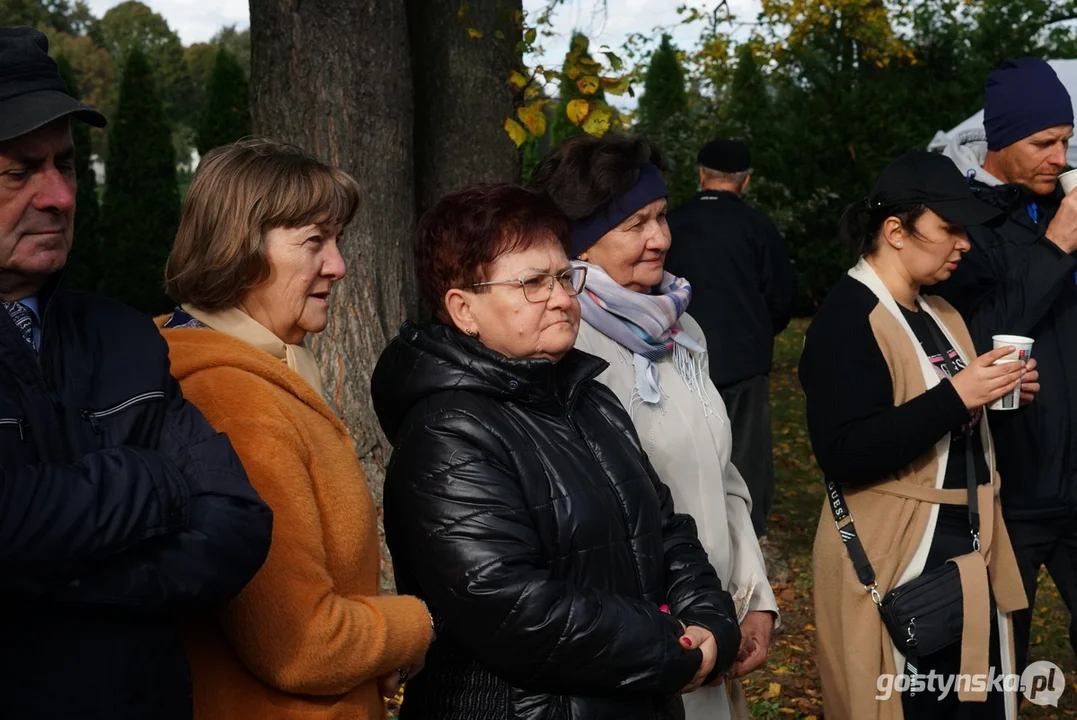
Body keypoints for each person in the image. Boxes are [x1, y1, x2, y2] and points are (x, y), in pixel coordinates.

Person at [371, 183, 741, 719]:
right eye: (532, 283)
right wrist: (671, 644)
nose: (563, 298)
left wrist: (710, 618)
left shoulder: (590, 398)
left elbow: (667, 531)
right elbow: (510, 605)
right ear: (463, 309)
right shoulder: (447, 431)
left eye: (565, 276)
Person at [0, 26, 273, 719]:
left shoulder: (123, 335)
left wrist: (36, 576)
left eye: (64, 163)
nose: (60, 197)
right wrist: (148, 480)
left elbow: (235, 527)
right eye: (19, 170)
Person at [159, 139, 433, 719]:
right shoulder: (233, 398)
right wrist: (419, 623)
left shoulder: (256, 373)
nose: (338, 265)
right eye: (314, 242)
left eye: (336, 241)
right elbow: (302, 644)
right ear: (238, 249)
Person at [530, 134, 778, 720]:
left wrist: (754, 597)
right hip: (640, 647)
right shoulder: (563, 347)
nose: (661, 238)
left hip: (714, 621)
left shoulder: (683, 331)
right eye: (636, 223)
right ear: (581, 239)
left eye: (662, 216)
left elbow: (725, 475)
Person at [801, 151, 1034, 719]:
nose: (963, 244)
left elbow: (933, 419)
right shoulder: (847, 318)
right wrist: (959, 395)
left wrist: (996, 398)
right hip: (895, 555)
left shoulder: (937, 310)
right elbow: (845, 451)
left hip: (962, 552)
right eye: (949, 229)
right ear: (895, 231)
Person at [932, 56, 1077, 672]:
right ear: (999, 140)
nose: (1059, 156)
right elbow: (982, 335)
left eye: (1067, 141)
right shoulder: (966, 222)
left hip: (1076, 481)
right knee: (998, 658)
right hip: (1008, 489)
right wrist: (1057, 248)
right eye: (1043, 142)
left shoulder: (1059, 202)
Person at [664, 138, 795, 538]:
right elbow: (782, 299)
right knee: (746, 460)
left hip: (677, 360)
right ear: (745, 182)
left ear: (701, 174)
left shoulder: (671, 224)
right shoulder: (758, 227)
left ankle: (688, 537)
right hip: (742, 363)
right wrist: (755, 333)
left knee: (685, 457)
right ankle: (747, 542)